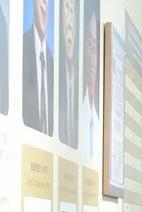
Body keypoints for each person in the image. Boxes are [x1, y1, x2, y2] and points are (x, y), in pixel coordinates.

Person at [23, 0, 54, 135]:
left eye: (47, 2)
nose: (44, 6)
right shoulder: (22, 47)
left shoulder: (52, 65)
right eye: (41, 0)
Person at [80, 1, 101, 157]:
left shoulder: (99, 126)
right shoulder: (78, 117)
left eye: (95, 47)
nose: (93, 58)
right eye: (89, 45)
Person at [58, 0, 78, 148]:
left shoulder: (77, 78)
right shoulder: (55, 68)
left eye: (73, 11)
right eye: (67, 8)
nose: (70, 24)